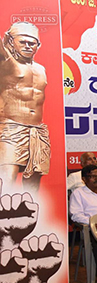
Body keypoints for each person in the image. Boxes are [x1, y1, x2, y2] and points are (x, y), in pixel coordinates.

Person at [0, 22, 49, 192]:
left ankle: (30, 217)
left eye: (32, 43)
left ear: (38, 45)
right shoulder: (5, 62)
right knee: (7, 179)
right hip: (11, 129)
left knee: (33, 186)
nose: (28, 46)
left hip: (37, 132)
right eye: (23, 42)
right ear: (11, 41)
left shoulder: (41, 69)